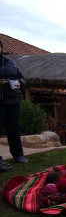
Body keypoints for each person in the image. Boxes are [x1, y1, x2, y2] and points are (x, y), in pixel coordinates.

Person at [0, 39, 28, 172]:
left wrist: (20, 83)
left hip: (13, 99)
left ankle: (18, 155)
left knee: (14, 129)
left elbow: (22, 78)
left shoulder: (10, 62)